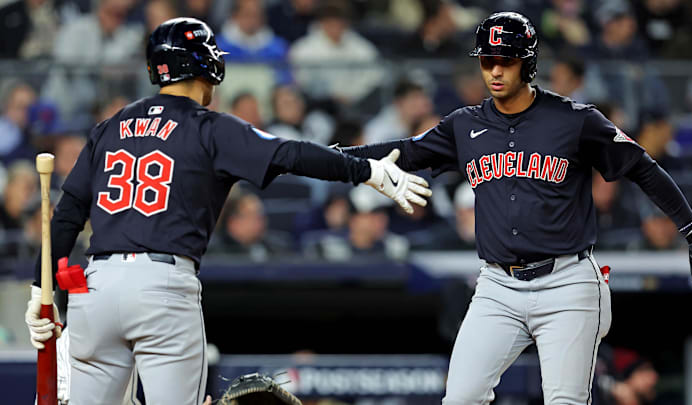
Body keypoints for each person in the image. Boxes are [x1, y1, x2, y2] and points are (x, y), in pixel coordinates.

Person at [23, 17, 431, 405]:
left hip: (95, 287)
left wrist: (40, 295)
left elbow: (65, 217)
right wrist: (366, 171)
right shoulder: (209, 126)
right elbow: (291, 153)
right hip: (161, 286)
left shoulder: (108, 127)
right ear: (208, 66)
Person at [339, 11, 692, 404]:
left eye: (506, 60)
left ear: (529, 63)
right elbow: (405, 152)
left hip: (567, 282)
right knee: (459, 399)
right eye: (487, 60)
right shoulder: (463, 125)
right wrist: (338, 159)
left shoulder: (575, 120)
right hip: (497, 286)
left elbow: (643, 168)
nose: (495, 70)